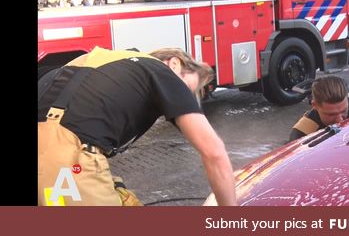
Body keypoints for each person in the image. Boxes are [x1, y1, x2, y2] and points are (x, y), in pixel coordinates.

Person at [38, 46, 237, 206]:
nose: (182, 97)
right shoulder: (160, 71)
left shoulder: (104, 60)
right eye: (186, 88)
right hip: (64, 164)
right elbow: (214, 153)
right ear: (175, 63)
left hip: (53, 163)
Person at [289, 75, 349, 142]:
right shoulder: (302, 134)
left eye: (344, 110)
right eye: (331, 114)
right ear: (314, 105)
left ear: (347, 97)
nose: (340, 120)